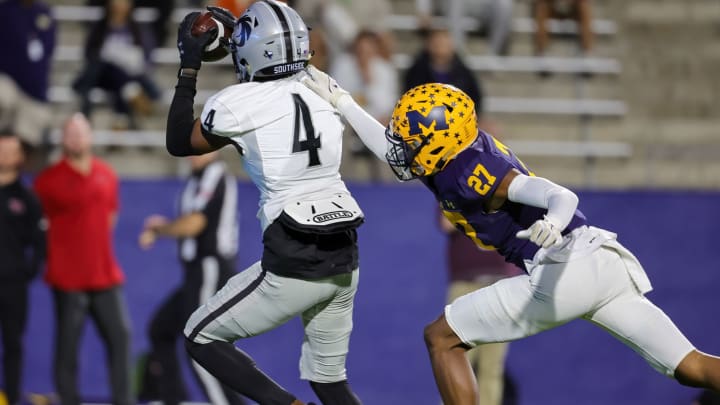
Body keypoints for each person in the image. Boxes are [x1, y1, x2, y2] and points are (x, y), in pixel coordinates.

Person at [300, 68, 720, 403]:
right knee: (690, 368)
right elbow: (393, 153)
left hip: (564, 268)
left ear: (438, 140)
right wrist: (342, 101)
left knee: (442, 338)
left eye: (413, 137)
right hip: (603, 262)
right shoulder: (455, 153)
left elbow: (559, 194)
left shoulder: (470, 171)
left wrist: (553, 222)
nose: (403, 144)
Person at [164, 2, 367, 404]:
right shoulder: (325, 89)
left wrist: (190, 65)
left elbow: (178, 141)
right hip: (345, 253)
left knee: (199, 335)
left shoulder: (238, 102)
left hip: (294, 254)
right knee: (329, 382)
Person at [34, 113, 133, 405]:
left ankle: (123, 401)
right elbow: (36, 224)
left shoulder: (107, 174)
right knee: (67, 350)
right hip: (67, 278)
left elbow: (110, 218)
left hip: (105, 275)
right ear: (64, 139)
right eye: (71, 133)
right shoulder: (47, 181)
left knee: (120, 339)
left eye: (81, 132)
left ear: (90, 137)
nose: (76, 138)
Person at [138, 151, 246, 405]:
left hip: (210, 269)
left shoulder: (214, 174)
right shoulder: (197, 178)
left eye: (200, 148)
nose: (193, 154)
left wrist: (159, 230)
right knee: (161, 329)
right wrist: (167, 225)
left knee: (199, 345)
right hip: (196, 274)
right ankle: (173, 397)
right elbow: (192, 220)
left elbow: (195, 224)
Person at [438, 214, 518, 405]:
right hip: (465, 284)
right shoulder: (450, 186)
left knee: (492, 363)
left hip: (501, 283)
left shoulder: (507, 186)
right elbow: (446, 224)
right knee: (457, 357)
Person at [0, 135, 46, 405]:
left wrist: (28, 271)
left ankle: (13, 397)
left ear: (20, 158)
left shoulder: (27, 198)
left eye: (10, 151)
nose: (4, 155)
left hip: (12, 284)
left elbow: (39, 241)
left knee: (13, 343)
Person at [72, 0, 159, 130]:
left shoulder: (137, 29)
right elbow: (90, 55)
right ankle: (130, 95)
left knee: (119, 77)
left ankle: (121, 117)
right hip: (103, 76)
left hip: (128, 74)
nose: (119, 5)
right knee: (110, 67)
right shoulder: (100, 28)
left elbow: (145, 58)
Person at [0, 0, 56, 149]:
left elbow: (48, 50)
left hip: (34, 91)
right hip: (8, 82)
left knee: (28, 140)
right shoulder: (4, 11)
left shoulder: (44, 13)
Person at [415, 0, 513, 56]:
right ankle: (458, 53)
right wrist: (423, 10)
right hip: (449, 5)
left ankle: (493, 55)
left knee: (505, 3)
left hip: (479, 5)